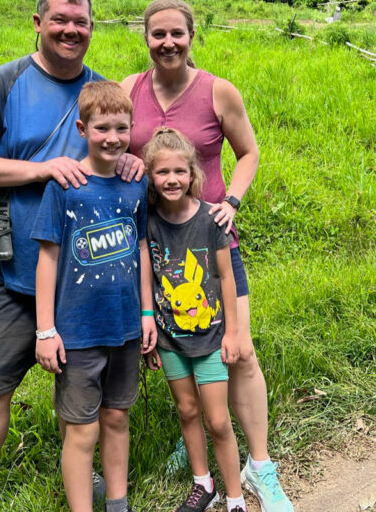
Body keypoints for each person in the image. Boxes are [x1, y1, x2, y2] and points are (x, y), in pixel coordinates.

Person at [0, 0, 140, 512]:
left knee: (84, 394)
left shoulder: (102, 93)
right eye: (60, 20)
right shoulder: (4, 83)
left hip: (86, 284)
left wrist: (130, 159)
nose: (70, 30)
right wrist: (39, 170)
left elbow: (120, 154)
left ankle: (81, 474)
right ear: (38, 23)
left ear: (92, 27)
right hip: (12, 274)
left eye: (80, 22)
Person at [120, 0, 293, 512]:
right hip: (156, 248)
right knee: (178, 340)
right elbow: (117, 151)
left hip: (213, 242)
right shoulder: (129, 90)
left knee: (238, 351)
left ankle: (260, 467)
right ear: (146, 38)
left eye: (177, 33)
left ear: (191, 35)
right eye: (158, 34)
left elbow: (249, 152)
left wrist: (231, 203)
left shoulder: (218, 91)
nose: (167, 42)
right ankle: (192, 443)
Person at [31, 80, 157, 512]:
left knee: (117, 418)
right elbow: (47, 259)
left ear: (132, 128)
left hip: (124, 328)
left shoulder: (135, 186)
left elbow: (141, 248)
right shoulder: (65, 186)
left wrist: (146, 312)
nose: (112, 138)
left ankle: (117, 504)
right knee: (81, 430)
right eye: (102, 128)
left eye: (121, 128)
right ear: (83, 128)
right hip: (78, 333)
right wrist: (45, 329)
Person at [142, 127, 246, 512]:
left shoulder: (211, 219)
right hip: (170, 339)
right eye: (162, 172)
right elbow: (147, 275)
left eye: (179, 172)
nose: (172, 180)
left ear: (193, 174)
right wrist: (148, 323)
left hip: (210, 338)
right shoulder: (149, 221)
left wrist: (232, 333)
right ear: (150, 176)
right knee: (187, 410)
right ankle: (204, 483)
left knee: (218, 421)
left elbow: (226, 277)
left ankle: (235, 496)